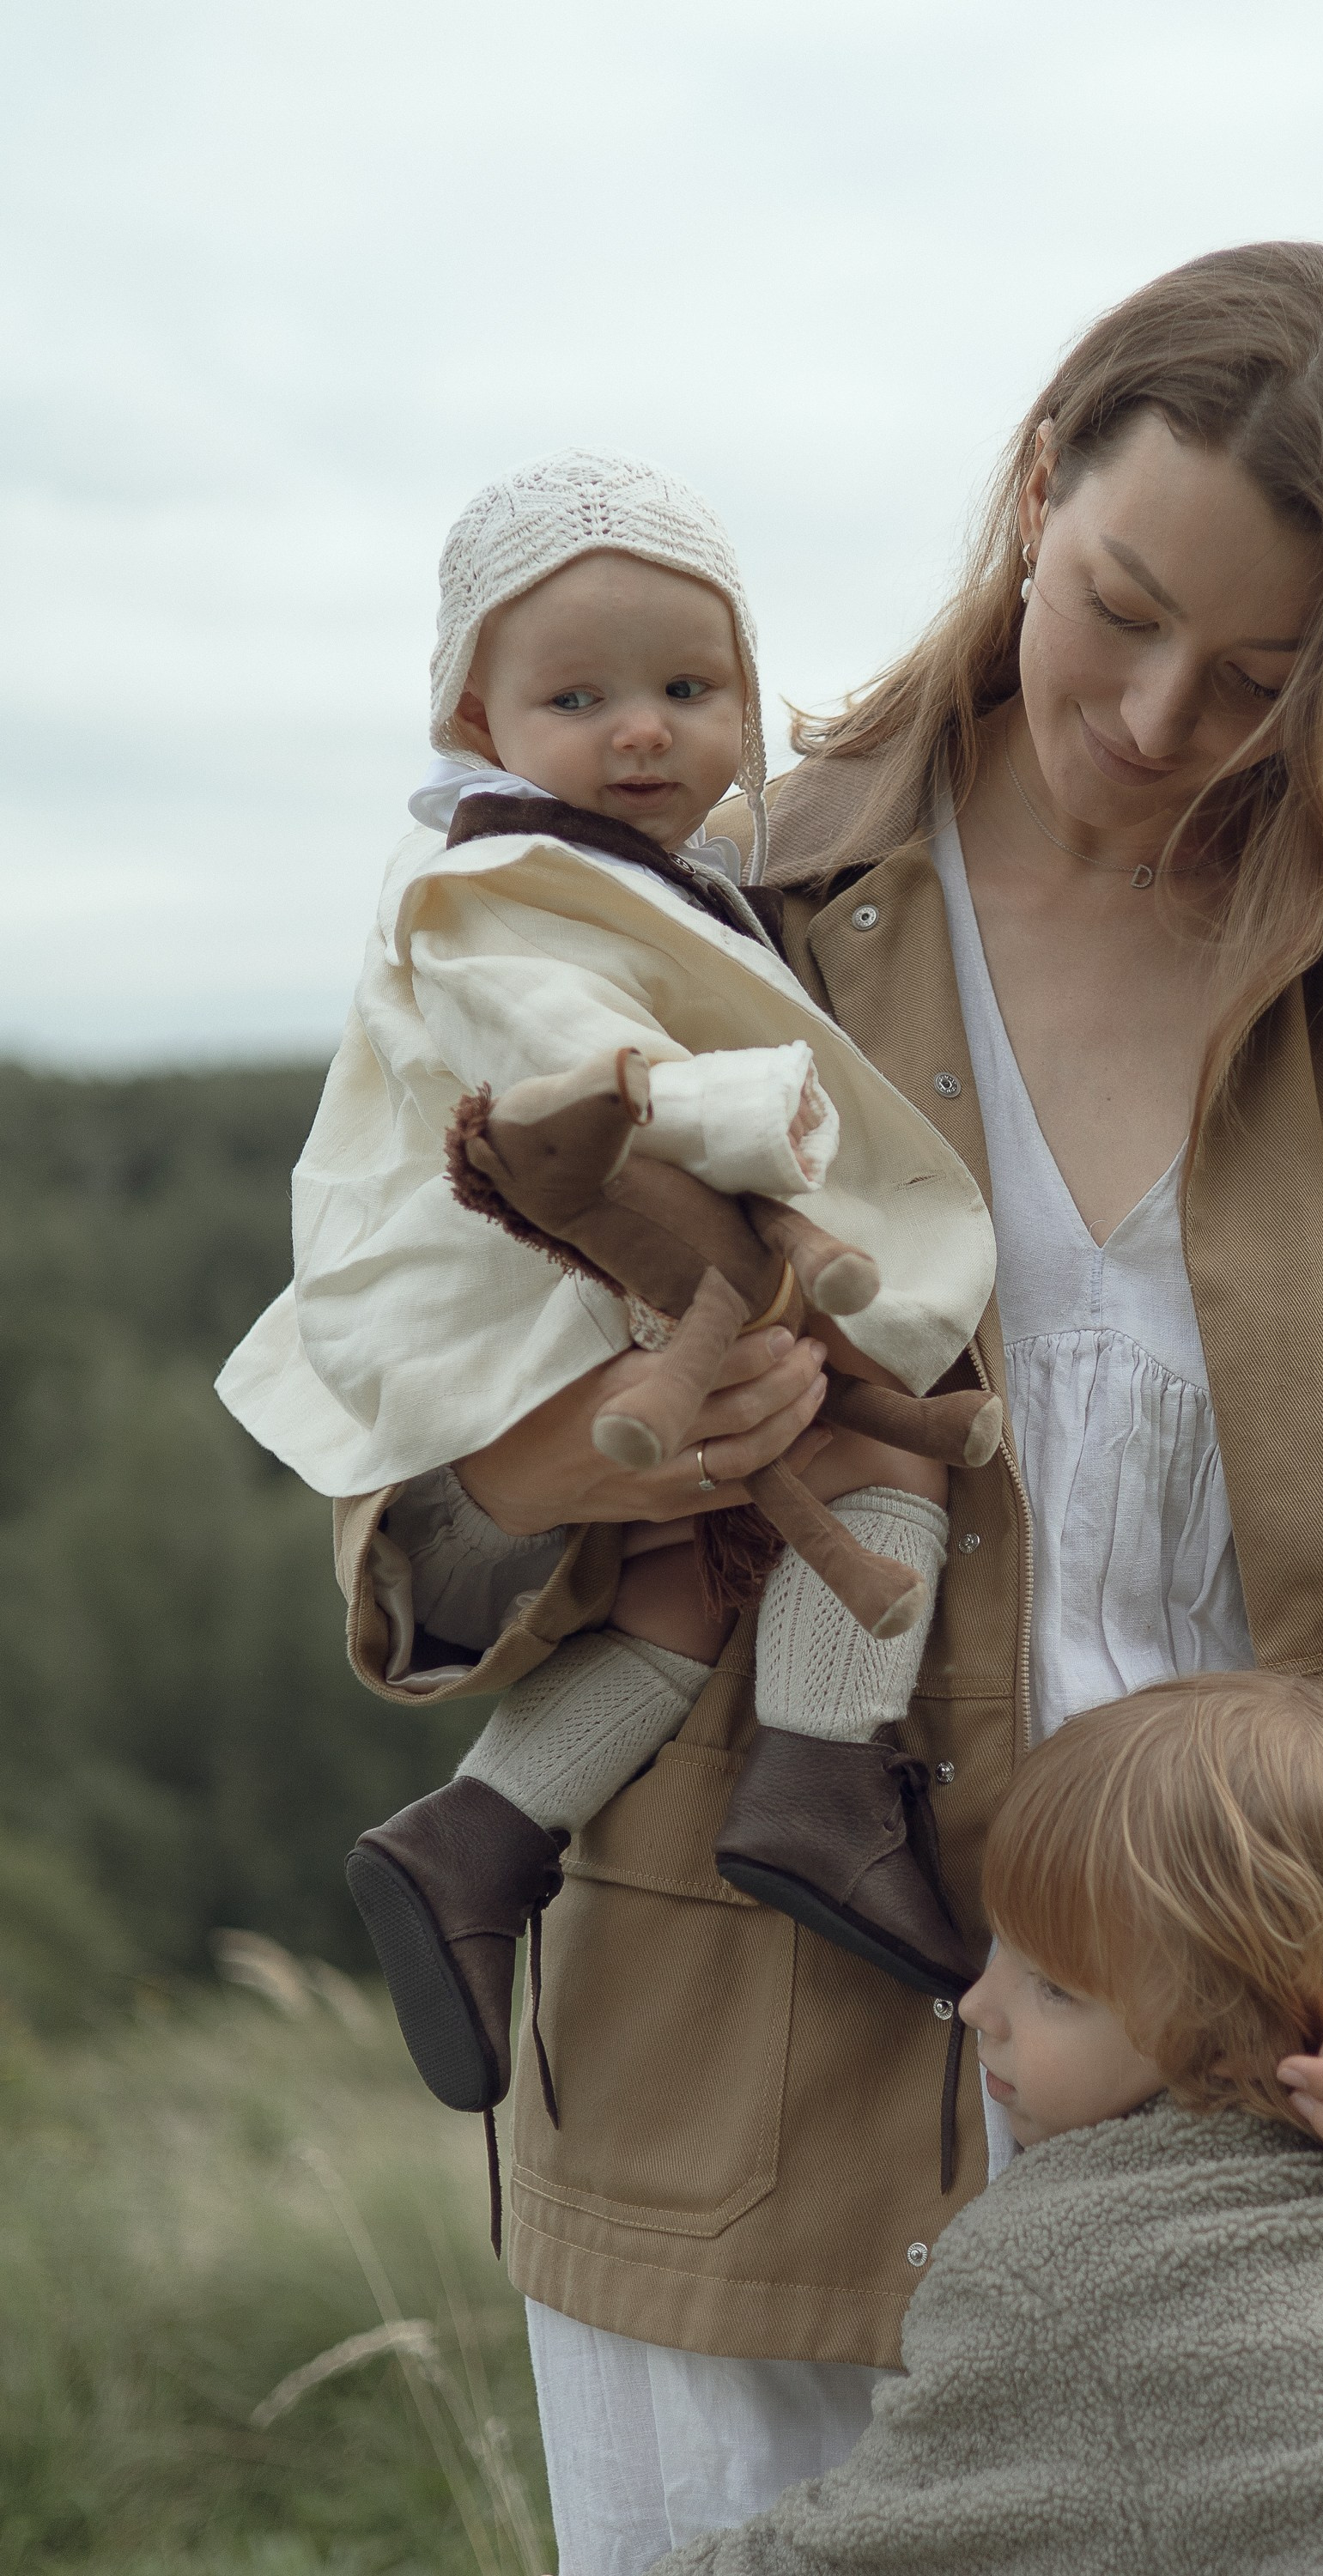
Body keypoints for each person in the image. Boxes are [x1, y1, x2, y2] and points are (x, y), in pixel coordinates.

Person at [327, 243, 1323, 2575]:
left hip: (1266, 2135)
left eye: (1259, 677)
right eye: (1122, 611)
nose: (1158, 719)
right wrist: (622, 1437)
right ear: (1038, 485)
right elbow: (409, 1534)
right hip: (732, 2121)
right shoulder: (686, 896)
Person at [216, 448, 999, 2138]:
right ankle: (821, 1775)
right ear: (477, 720)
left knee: (680, 1581)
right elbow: (583, 1065)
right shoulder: (500, 881)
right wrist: (761, 1113)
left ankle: (478, 1837)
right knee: (892, 1437)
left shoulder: (631, 864)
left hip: (601, 1274)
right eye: (578, 699)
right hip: (575, 1270)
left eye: (688, 690)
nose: (641, 731)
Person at [634, 1674, 1323, 2575]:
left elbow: (870, 2551)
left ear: (1232, 2042)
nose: (977, 2005)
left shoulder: (1063, 2272)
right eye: (1001, 1944)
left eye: (1054, 1988)